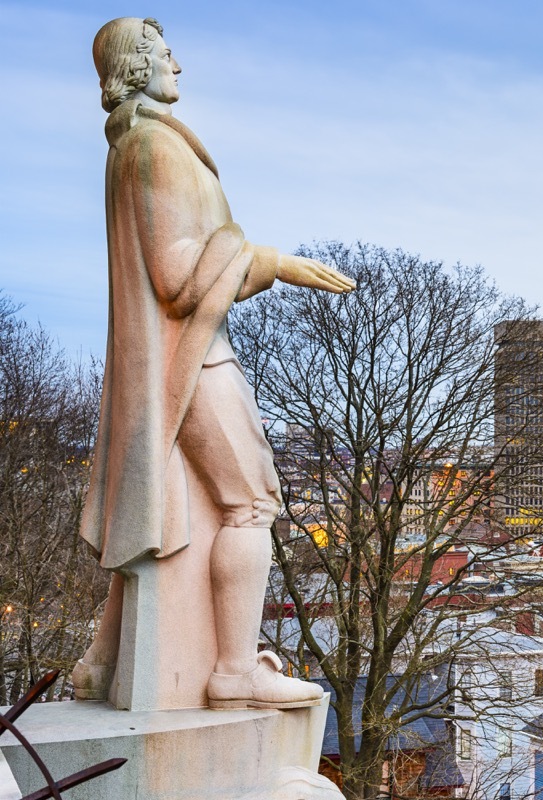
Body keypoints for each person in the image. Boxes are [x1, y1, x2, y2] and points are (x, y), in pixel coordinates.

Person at [73, 17, 354, 709]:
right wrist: (274, 263)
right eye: (167, 55)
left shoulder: (136, 146)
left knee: (161, 510)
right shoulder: (153, 149)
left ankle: (103, 663)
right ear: (138, 68)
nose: (179, 66)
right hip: (193, 361)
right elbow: (176, 277)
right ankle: (233, 671)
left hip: (172, 361)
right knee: (251, 503)